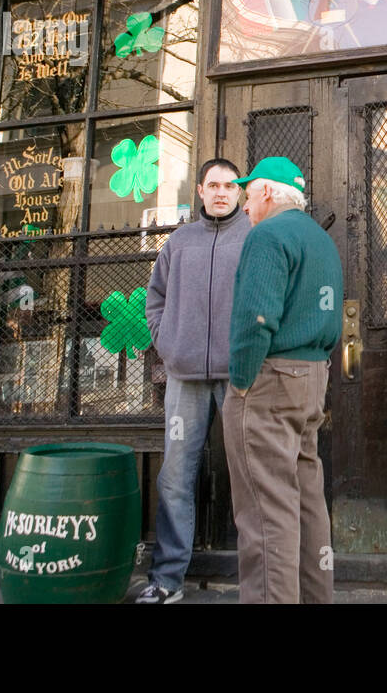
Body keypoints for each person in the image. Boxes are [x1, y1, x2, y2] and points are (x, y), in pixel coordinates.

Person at [224, 157, 342, 604]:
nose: (246, 204)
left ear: (268, 193)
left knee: (264, 512)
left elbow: (255, 319)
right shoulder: (320, 240)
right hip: (313, 378)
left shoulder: (267, 236)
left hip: (268, 381)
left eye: (248, 194)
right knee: (307, 502)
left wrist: (240, 381)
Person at [137, 158, 250, 603]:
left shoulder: (254, 238)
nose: (222, 192)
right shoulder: (178, 242)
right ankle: (167, 581)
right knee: (175, 478)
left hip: (239, 375)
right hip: (184, 377)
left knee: (250, 476)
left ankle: (258, 582)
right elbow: (155, 299)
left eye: (230, 185)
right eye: (213, 185)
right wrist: (168, 343)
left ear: (240, 192)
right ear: (200, 191)